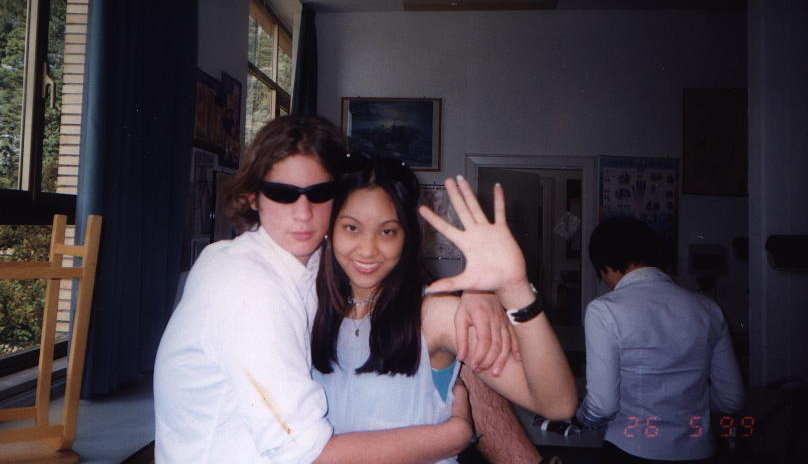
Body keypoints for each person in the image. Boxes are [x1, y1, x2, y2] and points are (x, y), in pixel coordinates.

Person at [153, 115, 518, 464]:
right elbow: (306, 454)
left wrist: (479, 292)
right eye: (282, 193)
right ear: (253, 197)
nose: (303, 213)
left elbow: (436, 344)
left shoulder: (311, 265)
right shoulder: (248, 286)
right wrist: (452, 436)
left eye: (319, 193)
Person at [311, 154, 578, 464]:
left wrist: (515, 289)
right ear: (330, 228)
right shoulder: (309, 309)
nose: (368, 249)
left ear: (407, 237)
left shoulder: (432, 314)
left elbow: (557, 404)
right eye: (352, 228)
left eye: (387, 231)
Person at [574, 216, 745, 464]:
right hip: (701, 451)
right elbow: (732, 399)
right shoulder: (708, 309)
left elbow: (603, 406)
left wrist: (579, 419)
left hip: (632, 449)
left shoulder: (604, 310)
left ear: (606, 266)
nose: (607, 282)